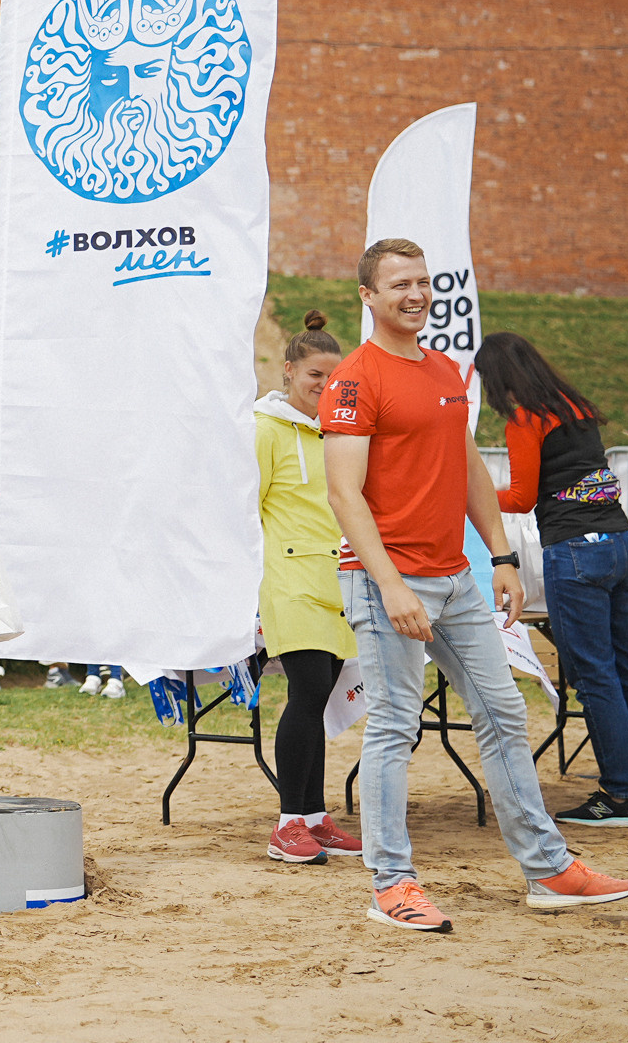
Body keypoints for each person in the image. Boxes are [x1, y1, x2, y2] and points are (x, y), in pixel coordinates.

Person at [322, 238, 628, 931]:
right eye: (400, 283)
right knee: (395, 730)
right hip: (387, 581)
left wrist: (500, 556)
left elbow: (465, 465)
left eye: (423, 282)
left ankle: (549, 869)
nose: (416, 294)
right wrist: (391, 585)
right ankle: (391, 885)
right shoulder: (353, 380)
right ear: (368, 297)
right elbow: (345, 495)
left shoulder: (443, 369)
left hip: (457, 578)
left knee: (504, 716)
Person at [474, 330, 628, 828]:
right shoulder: (576, 407)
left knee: (595, 676)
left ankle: (617, 798)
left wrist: (475, 493)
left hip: (573, 551)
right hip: (622, 544)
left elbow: (524, 497)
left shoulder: (524, 418)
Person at [254, 310, 362, 865]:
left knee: (317, 698)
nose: (324, 385)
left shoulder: (343, 432)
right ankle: (288, 824)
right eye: (315, 374)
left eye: (334, 376)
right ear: (290, 370)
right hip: (287, 581)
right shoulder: (264, 429)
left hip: (336, 581)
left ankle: (316, 818)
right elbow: (246, 514)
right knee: (306, 694)